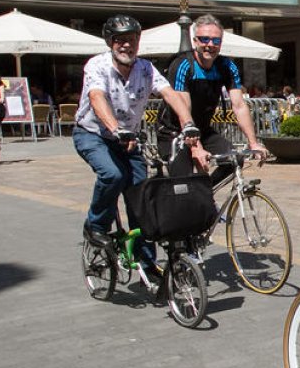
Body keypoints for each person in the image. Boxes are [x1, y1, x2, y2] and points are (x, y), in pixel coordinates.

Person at [73, 15, 199, 271]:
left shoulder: (146, 69)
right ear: (110, 42)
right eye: (120, 40)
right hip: (93, 134)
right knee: (113, 175)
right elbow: (97, 97)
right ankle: (95, 226)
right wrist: (116, 129)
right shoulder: (97, 65)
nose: (127, 46)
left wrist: (188, 123)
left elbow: (170, 94)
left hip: (127, 140)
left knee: (142, 196)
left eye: (132, 40)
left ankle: (146, 262)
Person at [156, 15, 267, 184]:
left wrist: (253, 143)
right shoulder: (183, 65)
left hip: (203, 129)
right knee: (184, 183)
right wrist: (196, 148)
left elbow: (239, 106)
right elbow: (183, 110)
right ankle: (190, 195)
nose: (210, 44)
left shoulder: (227, 66)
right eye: (204, 39)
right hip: (174, 131)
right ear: (195, 41)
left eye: (216, 40)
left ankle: (205, 192)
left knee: (234, 159)